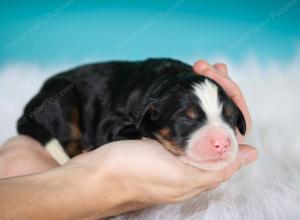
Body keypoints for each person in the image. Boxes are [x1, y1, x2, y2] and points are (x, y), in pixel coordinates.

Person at [0, 60, 257, 219]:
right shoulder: (141, 108)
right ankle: (72, 147)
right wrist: (94, 176)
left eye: (227, 118)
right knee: (62, 101)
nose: (221, 140)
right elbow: (110, 128)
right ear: (151, 116)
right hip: (60, 97)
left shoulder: (167, 99)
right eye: (188, 119)